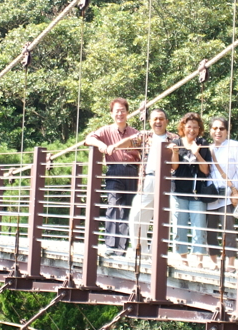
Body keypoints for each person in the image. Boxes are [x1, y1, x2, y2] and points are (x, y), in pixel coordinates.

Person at [112, 109, 179, 259]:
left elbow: (176, 165)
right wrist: (114, 146)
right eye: (155, 119)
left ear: (166, 121)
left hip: (168, 181)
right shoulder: (145, 136)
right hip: (148, 179)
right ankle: (141, 251)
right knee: (137, 215)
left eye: (161, 119)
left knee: (164, 218)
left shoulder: (174, 138)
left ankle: (158, 254)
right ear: (150, 122)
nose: (158, 122)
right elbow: (130, 141)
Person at [84, 98, 139, 255]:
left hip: (131, 171)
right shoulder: (106, 130)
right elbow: (88, 139)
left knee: (128, 209)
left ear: (127, 112)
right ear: (111, 114)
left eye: (122, 110)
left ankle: (121, 249)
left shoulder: (135, 133)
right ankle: (110, 246)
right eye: (116, 111)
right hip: (114, 170)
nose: (120, 114)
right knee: (113, 205)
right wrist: (100, 144)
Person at [170, 112, 212, 267]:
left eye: (195, 127)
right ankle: (183, 259)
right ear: (183, 127)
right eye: (189, 127)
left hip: (197, 193)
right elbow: (174, 167)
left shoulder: (202, 143)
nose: (192, 130)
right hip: (179, 191)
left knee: (199, 227)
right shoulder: (176, 142)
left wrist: (197, 153)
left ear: (199, 128)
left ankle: (199, 261)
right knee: (178, 227)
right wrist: (175, 152)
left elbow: (206, 170)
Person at [206, 117, 238, 269]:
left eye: (221, 128)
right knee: (210, 231)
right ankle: (213, 262)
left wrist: (236, 189)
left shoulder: (234, 146)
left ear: (227, 130)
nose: (218, 131)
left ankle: (231, 263)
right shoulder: (208, 148)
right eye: (214, 128)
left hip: (227, 195)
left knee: (228, 230)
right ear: (210, 131)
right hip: (211, 195)